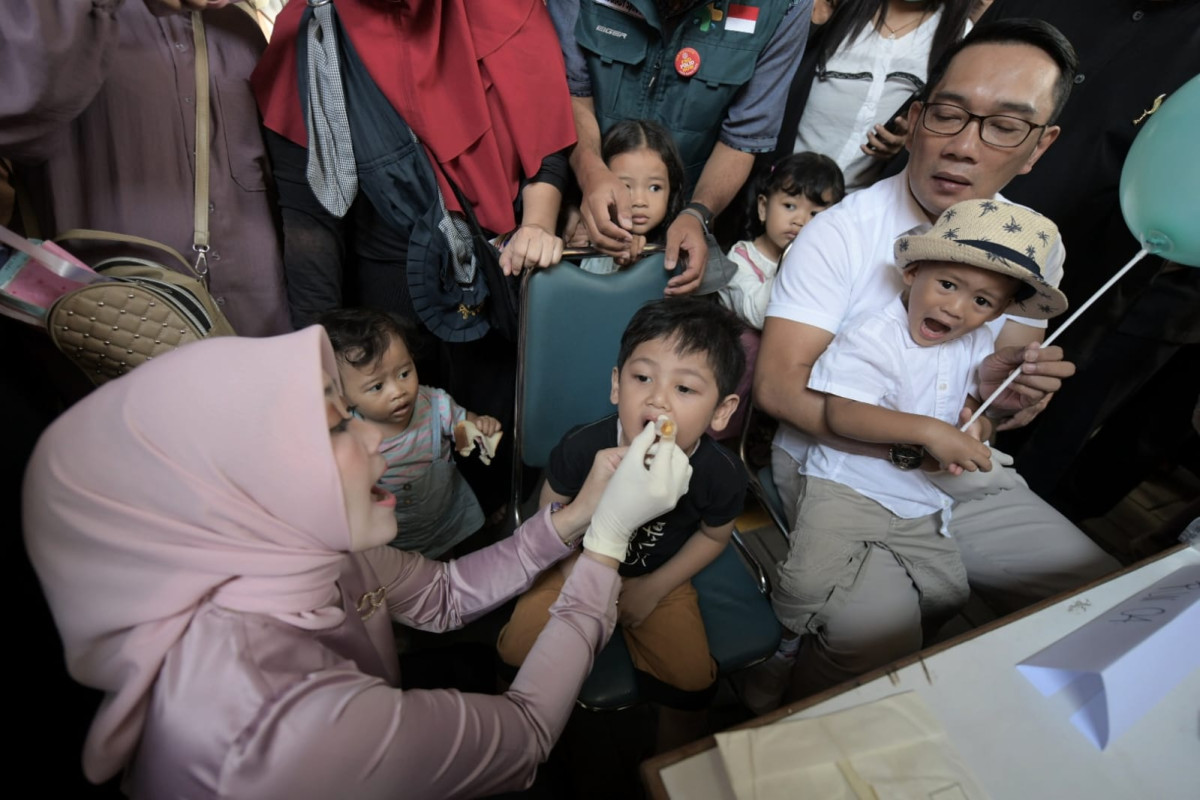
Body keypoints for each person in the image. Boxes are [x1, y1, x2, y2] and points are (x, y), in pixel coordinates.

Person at [22, 326, 693, 798]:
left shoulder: (305, 553)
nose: (378, 441)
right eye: (340, 425)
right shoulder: (281, 733)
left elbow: (442, 596)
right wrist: (606, 542)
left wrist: (575, 520)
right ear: (249, 484)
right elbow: (521, 736)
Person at [754, 18, 1120, 699]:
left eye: (1005, 126)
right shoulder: (841, 232)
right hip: (836, 463)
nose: (964, 145)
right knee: (877, 640)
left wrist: (1005, 404)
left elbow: (988, 404)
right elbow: (778, 390)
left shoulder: (1032, 248)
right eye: (949, 114)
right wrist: (922, 434)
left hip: (951, 465)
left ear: (1041, 147)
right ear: (918, 118)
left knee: (1105, 598)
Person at [748, 200, 1067, 712]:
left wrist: (981, 420)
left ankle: (920, 655)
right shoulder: (874, 333)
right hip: (845, 485)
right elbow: (841, 416)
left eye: (983, 301)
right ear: (913, 272)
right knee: (806, 583)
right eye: (947, 286)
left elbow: (969, 414)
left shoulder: (973, 345)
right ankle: (782, 651)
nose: (958, 309)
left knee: (948, 595)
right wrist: (929, 432)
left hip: (919, 498)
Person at [497, 298, 747, 747]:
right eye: (642, 378)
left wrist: (654, 587)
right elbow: (550, 511)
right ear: (617, 384)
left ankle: (670, 771)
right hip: (573, 564)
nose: (657, 398)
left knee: (690, 685)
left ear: (722, 411)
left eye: (685, 389)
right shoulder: (583, 446)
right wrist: (575, 575)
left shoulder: (721, 474)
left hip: (657, 577)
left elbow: (714, 535)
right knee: (517, 652)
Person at [0, 0, 290, 338]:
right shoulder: (58, 22)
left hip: (259, 320)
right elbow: (16, 109)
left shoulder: (241, 29)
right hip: (113, 326)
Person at [547, 0, 813, 294]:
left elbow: (743, 136)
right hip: (566, 203)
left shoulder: (787, 5)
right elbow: (569, 89)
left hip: (689, 216)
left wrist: (697, 214)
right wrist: (589, 175)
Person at [321, 309, 501, 558]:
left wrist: (479, 425)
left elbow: (462, 429)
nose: (398, 391)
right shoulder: (349, 436)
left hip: (452, 517)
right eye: (377, 386)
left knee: (475, 561)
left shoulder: (434, 404)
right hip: (398, 539)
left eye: (404, 373)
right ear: (344, 396)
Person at [772, 0, 974, 191]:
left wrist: (910, 143)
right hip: (784, 190)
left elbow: (954, 121)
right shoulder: (835, 9)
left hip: (867, 205)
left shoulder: (960, 34)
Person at [719, 152, 846, 330]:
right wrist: (793, 261)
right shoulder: (740, 258)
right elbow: (757, 315)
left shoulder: (823, 269)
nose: (800, 221)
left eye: (815, 214)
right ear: (763, 207)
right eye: (789, 206)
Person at [569, 119, 686, 275]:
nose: (639, 201)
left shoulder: (681, 246)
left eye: (654, 188)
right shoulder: (583, 236)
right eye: (625, 187)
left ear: (671, 189)